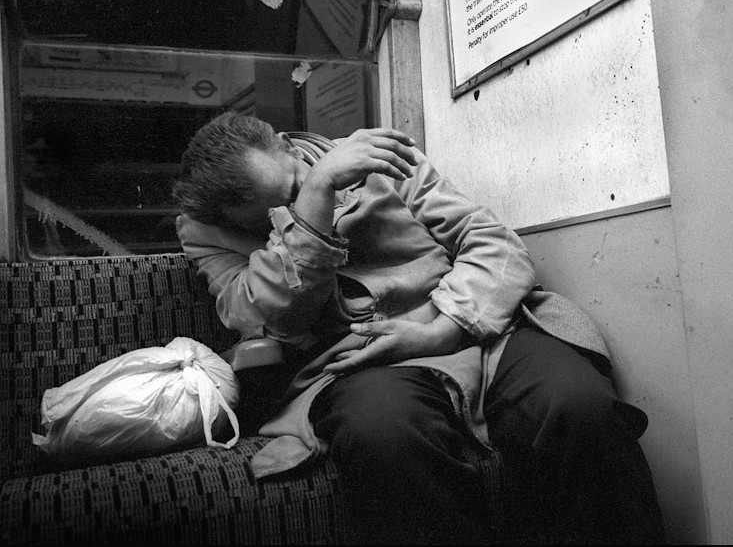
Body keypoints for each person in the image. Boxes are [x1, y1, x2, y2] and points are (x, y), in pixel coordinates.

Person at [171, 112, 665, 544]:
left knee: (577, 404)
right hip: (356, 361)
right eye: (273, 215)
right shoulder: (203, 232)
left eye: (298, 185)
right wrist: (315, 197)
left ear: (286, 144)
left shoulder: (376, 155)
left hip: (473, 326)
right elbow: (261, 315)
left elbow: (491, 241)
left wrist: (443, 328)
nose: (291, 205)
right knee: (385, 435)